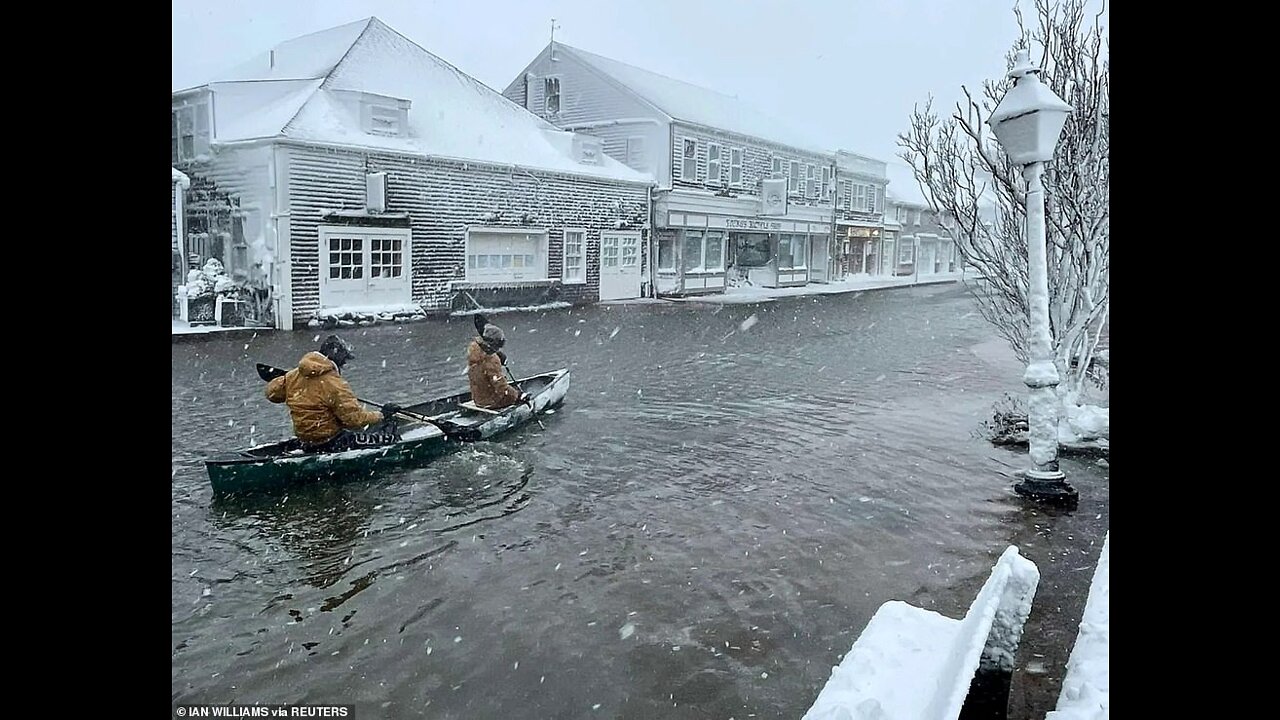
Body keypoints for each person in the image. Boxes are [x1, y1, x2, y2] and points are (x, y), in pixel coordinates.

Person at [266, 335, 401, 452]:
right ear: (337, 357)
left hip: (306, 441)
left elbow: (272, 394)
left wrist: (288, 380)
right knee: (390, 438)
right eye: (344, 361)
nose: (343, 365)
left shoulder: (294, 375)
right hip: (331, 442)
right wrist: (382, 414)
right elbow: (354, 420)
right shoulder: (335, 384)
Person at [466, 318, 530, 410]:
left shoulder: (474, 349)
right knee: (512, 393)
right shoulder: (491, 360)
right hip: (492, 402)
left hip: (478, 399)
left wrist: (498, 354)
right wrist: (518, 396)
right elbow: (501, 388)